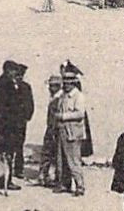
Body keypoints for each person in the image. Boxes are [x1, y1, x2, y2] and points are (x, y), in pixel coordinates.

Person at [0, 60, 34, 189]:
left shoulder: (5, 82)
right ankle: (4, 181)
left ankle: (0, 179)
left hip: (7, 124)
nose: (16, 73)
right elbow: (5, 105)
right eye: (14, 70)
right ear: (8, 70)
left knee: (3, 152)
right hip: (7, 125)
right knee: (6, 152)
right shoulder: (4, 83)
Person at [55, 66, 90, 195]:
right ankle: (64, 184)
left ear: (73, 82)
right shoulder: (63, 96)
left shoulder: (78, 96)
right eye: (65, 82)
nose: (66, 85)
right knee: (62, 160)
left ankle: (80, 186)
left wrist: (63, 116)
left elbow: (80, 114)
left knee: (74, 160)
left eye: (69, 82)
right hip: (62, 131)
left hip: (73, 133)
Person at [38, 73, 64, 187]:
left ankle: (55, 177)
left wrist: (53, 130)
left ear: (58, 86)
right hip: (50, 129)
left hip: (54, 130)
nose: (50, 88)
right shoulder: (54, 97)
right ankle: (45, 176)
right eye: (50, 85)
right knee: (48, 154)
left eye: (53, 86)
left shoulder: (59, 99)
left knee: (52, 154)